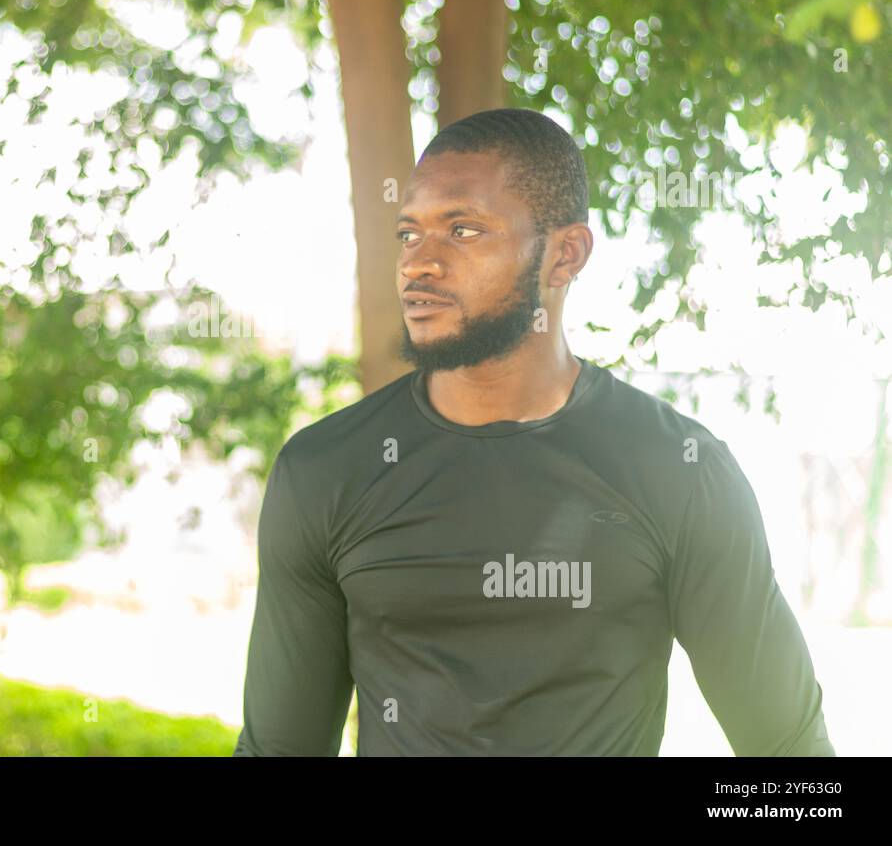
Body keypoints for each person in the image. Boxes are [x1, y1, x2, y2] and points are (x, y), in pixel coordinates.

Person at [232, 108, 835, 756]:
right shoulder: (325, 470)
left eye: (461, 230)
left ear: (564, 254)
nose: (418, 264)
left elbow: (790, 759)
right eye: (410, 234)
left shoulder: (679, 470)